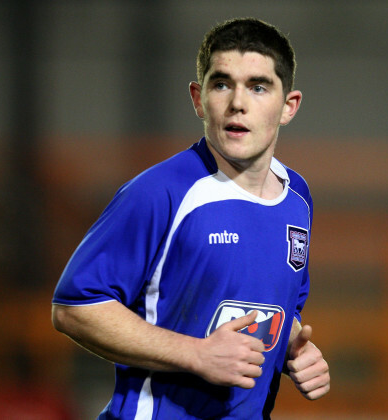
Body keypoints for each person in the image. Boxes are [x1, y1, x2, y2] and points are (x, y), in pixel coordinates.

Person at [51, 17, 330, 419]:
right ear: (199, 99)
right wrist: (196, 354)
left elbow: (277, 308)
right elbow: (74, 308)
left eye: (258, 86)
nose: (238, 102)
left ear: (289, 106)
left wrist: (292, 352)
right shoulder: (161, 192)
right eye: (221, 84)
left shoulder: (297, 198)